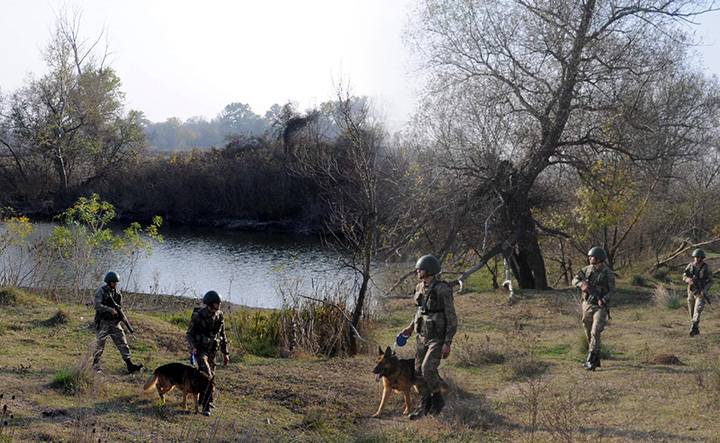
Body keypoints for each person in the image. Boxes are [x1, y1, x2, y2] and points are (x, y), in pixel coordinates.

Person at [400, 255, 457, 419]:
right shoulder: (419, 287)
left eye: (421, 269)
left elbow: (452, 317)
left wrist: (448, 342)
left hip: (437, 338)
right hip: (421, 335)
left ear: (430, 270)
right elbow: (420, 311)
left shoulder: (442, 290)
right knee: (417, 372)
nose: (417, 271)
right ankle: (425, 404)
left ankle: (438, 400)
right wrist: (410, 328)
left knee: (427, 369)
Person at [186, 290, 230, 416]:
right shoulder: (198, 315)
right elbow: (189, 334)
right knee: (207, 374)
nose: (219, 305)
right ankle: (206, 406)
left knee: (212, 377)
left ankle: (206, 400)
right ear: (210, 304)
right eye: (217, 303)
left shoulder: (219, 315)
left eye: (220, 303)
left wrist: (225, 353)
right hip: (201, 350)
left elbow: (222, 335)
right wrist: (193, 347)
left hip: (212, 351)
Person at [92, 271, 143, 374]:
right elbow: (97, 305)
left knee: (123, 343)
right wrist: (109, 309)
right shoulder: (101, 291)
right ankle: (95, 365)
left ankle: (130, 365)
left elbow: (119, 307)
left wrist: (123, 318)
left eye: (116, 282)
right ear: (109, 282)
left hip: (115, 323)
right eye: (114, 282)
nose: (116, 284)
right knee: (100, 345)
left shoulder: (117, 293)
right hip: (103, 322)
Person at [572, 247, 614, 371]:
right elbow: (575, 279)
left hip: (600, 307)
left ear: (599, 259)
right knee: (588, 329)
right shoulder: (586, 270)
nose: (590, 258)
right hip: (587, 304)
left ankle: (590, 360)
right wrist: (581, 285)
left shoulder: (608, 273)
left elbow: (612, 290)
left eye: (592, 257)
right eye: (589, 257)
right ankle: (596, 358)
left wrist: (604, 299)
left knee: (595, 332)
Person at [683, 248, 713, 337]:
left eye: (698, 257)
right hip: (691, 290)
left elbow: (711, 281)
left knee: (698, 309)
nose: (696, 258)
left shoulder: (706, 267)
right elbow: (684, 276)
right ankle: (696, 328)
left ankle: (693, 326)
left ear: (702, 258)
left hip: (700, 291)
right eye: (695, 257)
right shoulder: (690, 266)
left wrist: (705, 289)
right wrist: (688, 279)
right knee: (691, 310)